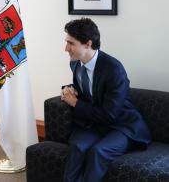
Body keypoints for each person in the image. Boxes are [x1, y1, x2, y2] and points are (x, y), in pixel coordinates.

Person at [61, 18, 151, 182]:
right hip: (95, 124)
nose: (66, 48)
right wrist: (69, 89)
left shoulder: (114, 70)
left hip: (121, 125)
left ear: (87, 44)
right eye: (66, 42)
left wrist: (75, 103)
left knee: (98, 152)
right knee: (77, 147)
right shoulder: (76, 63)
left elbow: (109, 115)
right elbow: (85, 89)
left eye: (71, 43)